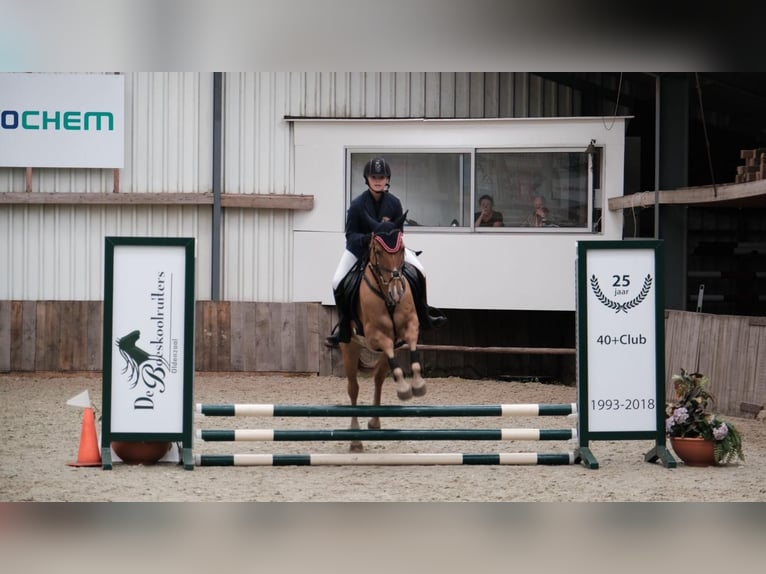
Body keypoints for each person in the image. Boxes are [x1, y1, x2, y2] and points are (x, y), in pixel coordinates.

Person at [325, 157, 446, 348]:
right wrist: (367, 240)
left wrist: (392, 245)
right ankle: (344, 327)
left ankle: (424, 314)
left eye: (381, 177)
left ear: (387, 179)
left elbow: (399, 232)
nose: (378, 180)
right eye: (374, 176)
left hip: (390, 251)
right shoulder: (357, 205)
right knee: (337, 280)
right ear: (367, 179)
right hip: (359, 250)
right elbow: (350, 235)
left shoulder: (394, 203)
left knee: (420, 270)